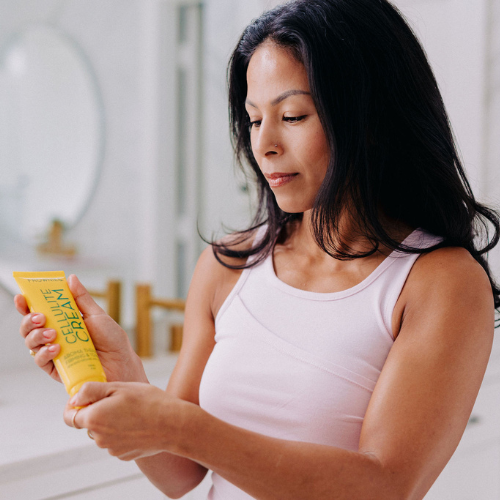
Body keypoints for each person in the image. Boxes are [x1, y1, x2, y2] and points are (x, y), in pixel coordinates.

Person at [15, 0, 500, 498]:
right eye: (252, 120)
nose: (263, 144)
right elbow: (182, 474)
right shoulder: (230, 266)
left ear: (371, 118)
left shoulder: (439, 283)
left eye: (292, 115)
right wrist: (125, 375)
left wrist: (182, 426)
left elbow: (385, 486)